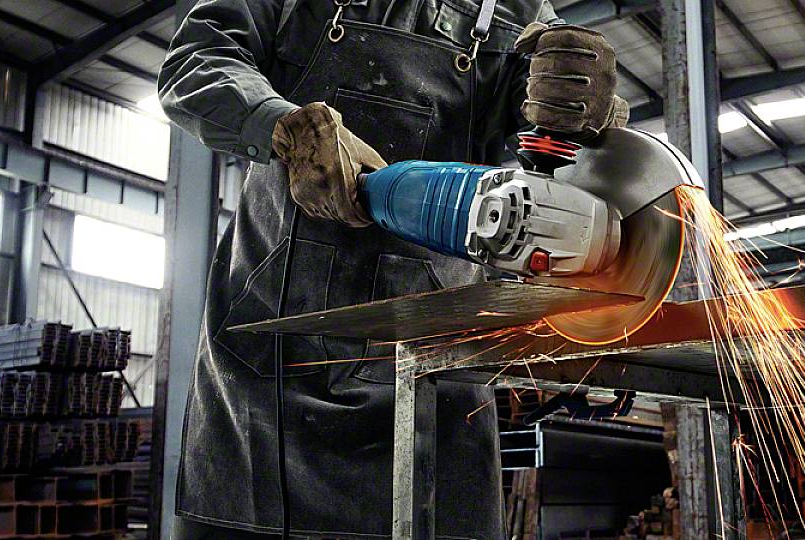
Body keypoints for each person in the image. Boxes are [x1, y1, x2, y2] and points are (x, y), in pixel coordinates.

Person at [158, 0, 628, 537]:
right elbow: (198, 57)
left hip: (436, 377)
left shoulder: (519, 11)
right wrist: (281, 125)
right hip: (265, 375)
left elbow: (562, 139)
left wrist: (582, 101)